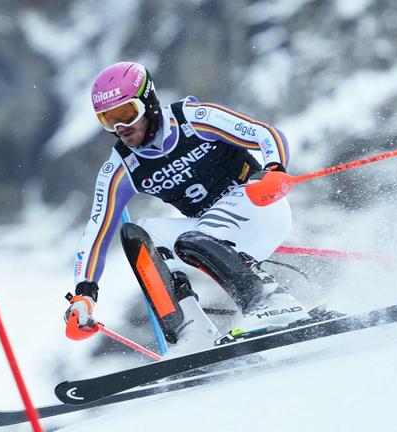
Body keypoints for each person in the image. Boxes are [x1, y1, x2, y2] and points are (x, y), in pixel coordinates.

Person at [63, 61, 309, 351]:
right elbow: (97, 230)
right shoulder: (121, 167)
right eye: (108, 120)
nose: (121, 128)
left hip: (261, 209)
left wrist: (275, 169)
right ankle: (192, 332)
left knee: (192, 239)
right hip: (212, 241)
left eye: (127, 114)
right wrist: (85, 293)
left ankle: (272, 300)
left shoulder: (192, 119)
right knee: (139, 235)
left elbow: (264, 133)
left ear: (148, 101)